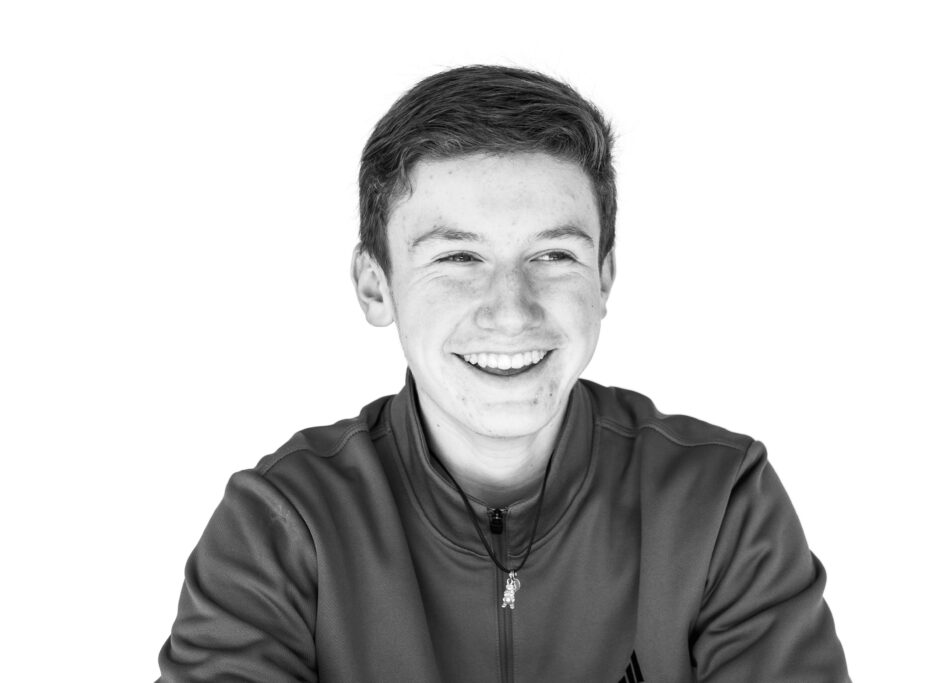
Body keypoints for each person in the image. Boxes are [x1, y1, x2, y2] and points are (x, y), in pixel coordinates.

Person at [158, 65, 850, 682]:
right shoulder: (284, 523)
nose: (511, 311)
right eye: (459, 258)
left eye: (553, 255)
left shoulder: (719, 502)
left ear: (604, 278)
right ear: (375, 286)